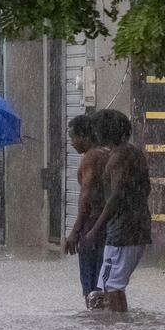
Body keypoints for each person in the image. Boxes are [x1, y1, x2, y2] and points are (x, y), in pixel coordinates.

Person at [81, 109, 152, 313]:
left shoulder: (118, 158)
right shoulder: (134, 153)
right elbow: (146, 188)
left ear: (103, 131)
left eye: (95, 129)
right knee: (112, 285)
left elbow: (115, 197)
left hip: (122, 232)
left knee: (111, 285)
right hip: (137, 226)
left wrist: (95, 230)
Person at [62, 114, 109, 306]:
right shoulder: (107, 154)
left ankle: (94, 321)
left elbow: (87, 195)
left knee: (91, 286)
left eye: (73, 137)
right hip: (106, 225)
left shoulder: (91, 158)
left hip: (92, 227)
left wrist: (75, 232)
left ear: (86, 136)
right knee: (103, 284)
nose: (72, 142)